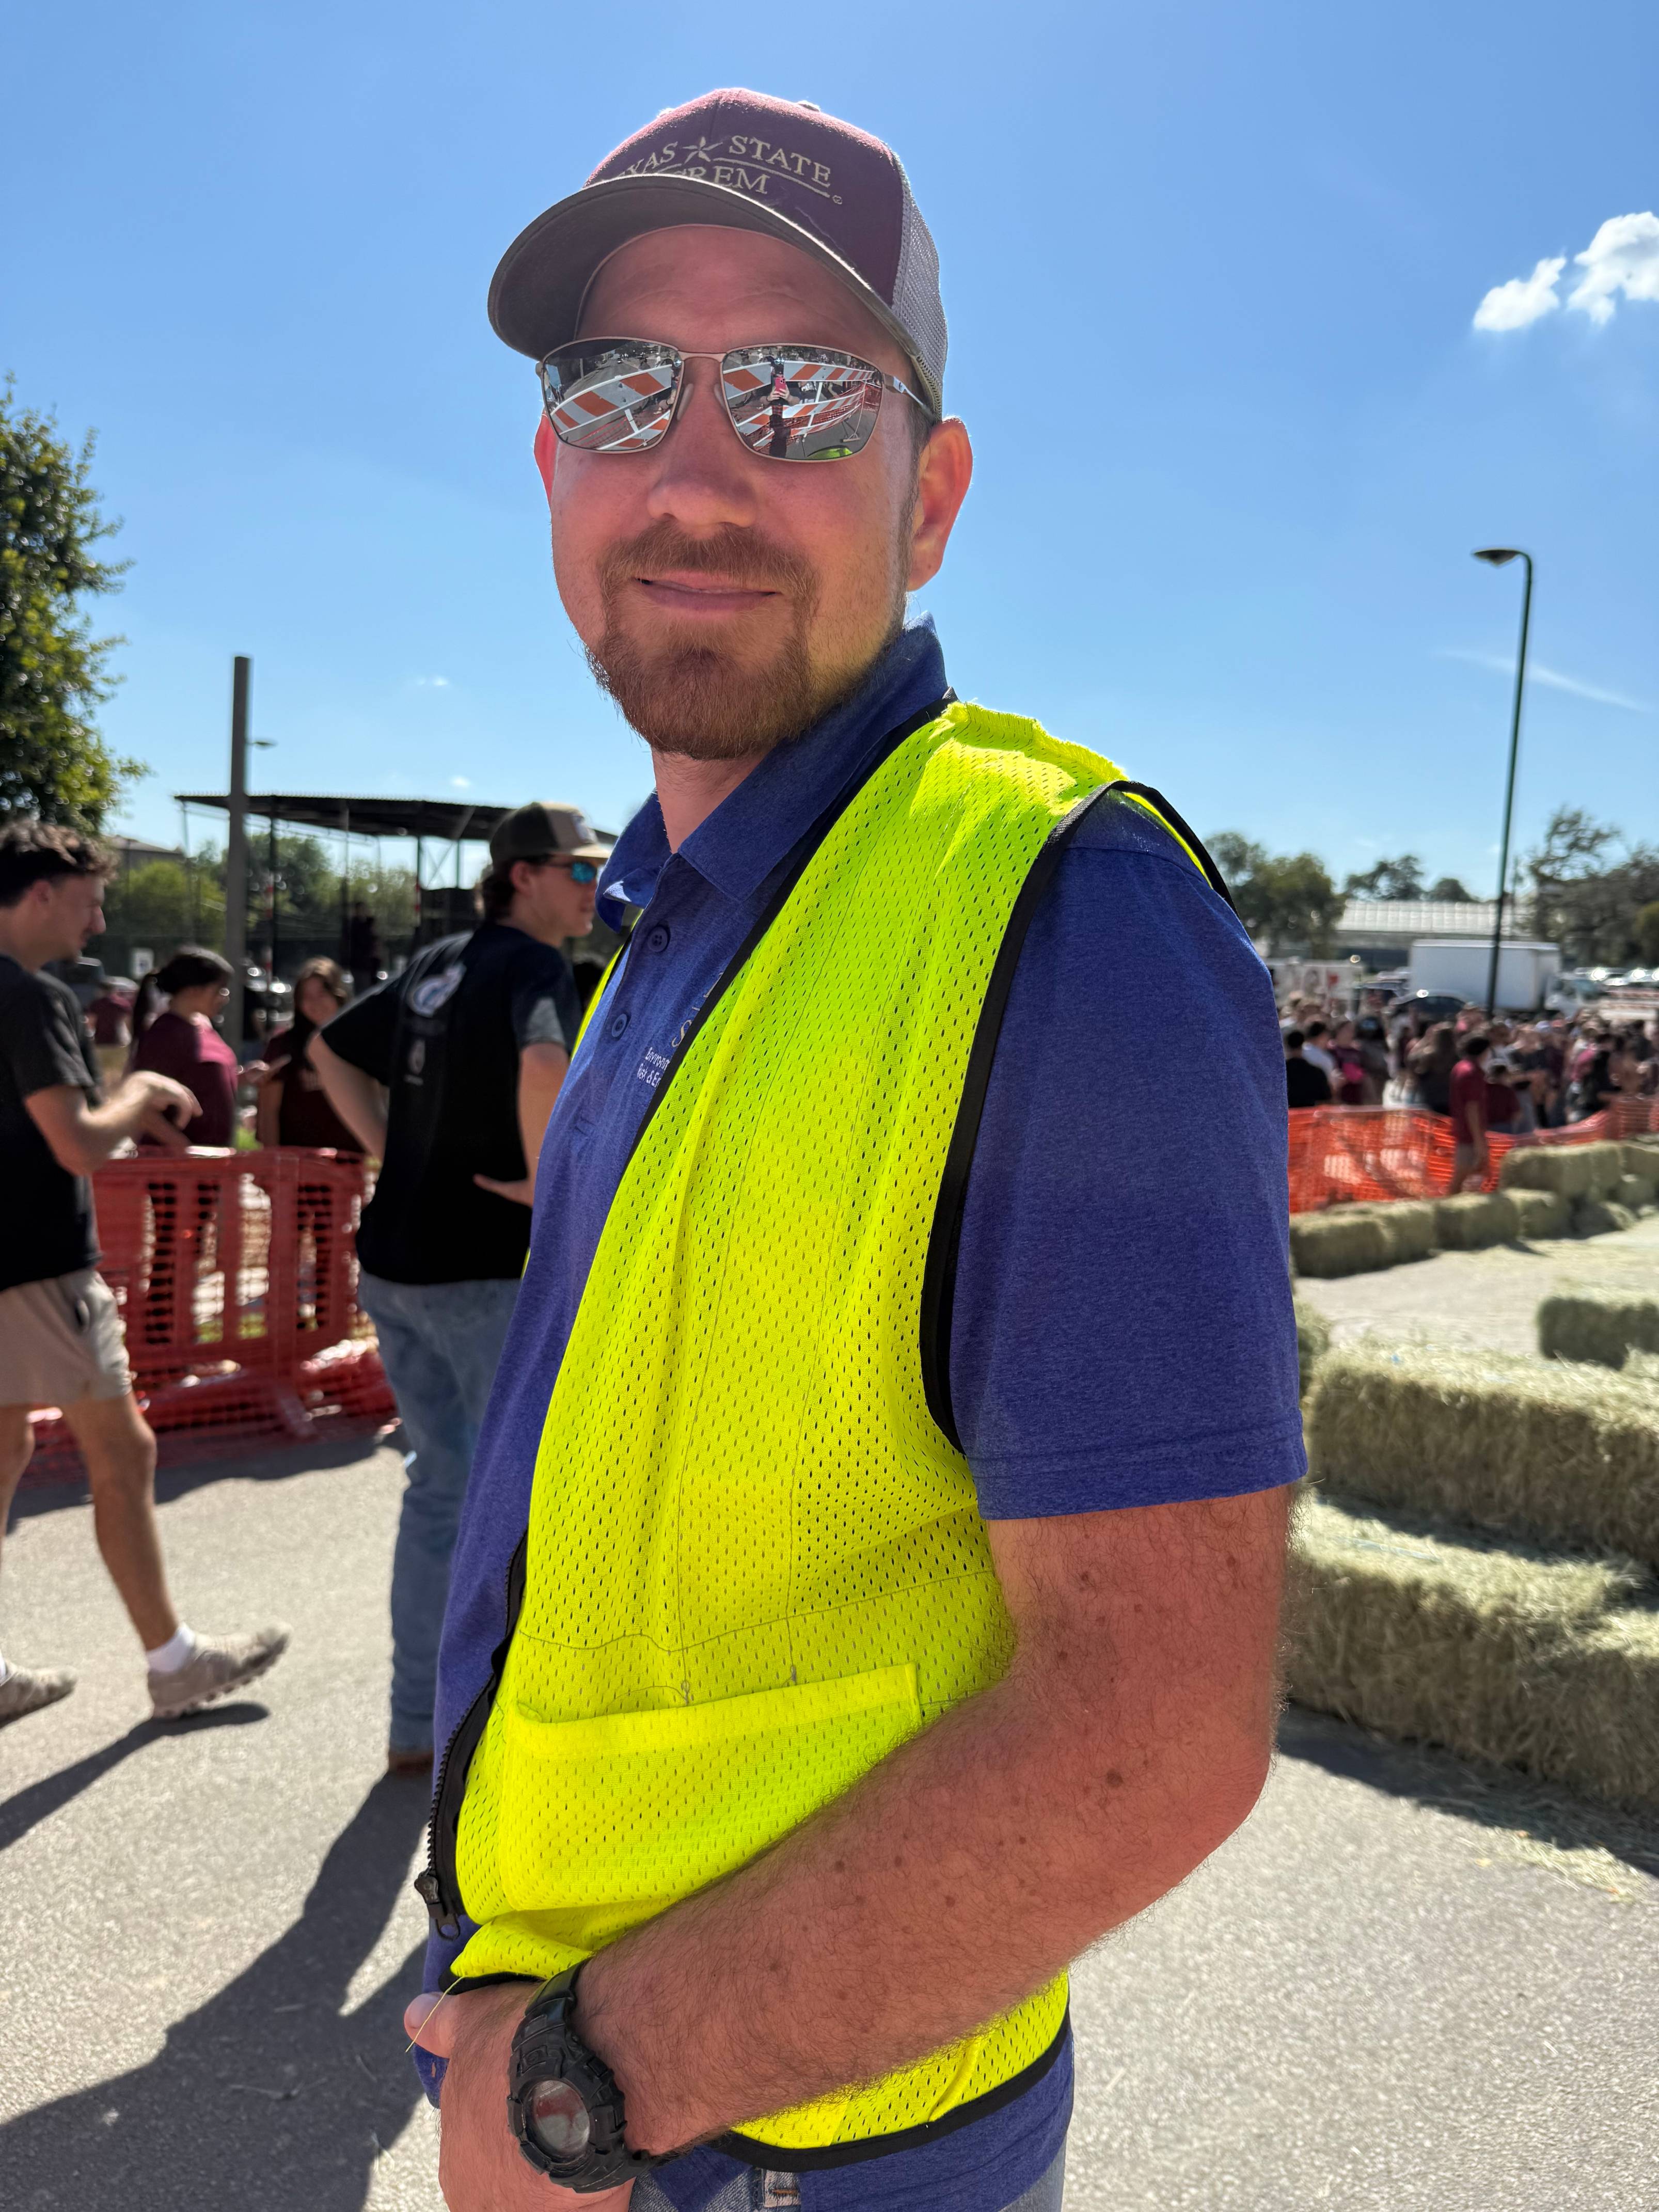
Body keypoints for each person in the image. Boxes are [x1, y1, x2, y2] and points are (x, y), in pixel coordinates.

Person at [404, 91, 1297, 2212]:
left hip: (781, 2144)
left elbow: (1149, 1733)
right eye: (622, 389)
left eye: (803, 393)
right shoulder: (664, 936)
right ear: (550, 468)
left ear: (930, 498)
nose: (695, 471)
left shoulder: (1058, 908)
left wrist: (585, 2085)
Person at [308, 808, 593, 1776]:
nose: (593, 887)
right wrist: (546, 1177)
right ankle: (508, 1724)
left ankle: (418, 1721)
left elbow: (329, 1049)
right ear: (523, 876)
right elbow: (545, 1061)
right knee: (524, 1497)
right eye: (577, 869)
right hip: (479, 1263)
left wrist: (391, 1147)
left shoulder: (440, 957)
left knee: (438, 1487)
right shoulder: (531, 966)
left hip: (395, 1260)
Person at [0, 821, 290, 1728]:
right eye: (88, 903)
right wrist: (140, 1094)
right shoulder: (30, 997)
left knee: (5, 1451)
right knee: (124, 1451)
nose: (98, 923)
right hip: (38, 1262)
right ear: (39, 893)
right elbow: (79, 1143)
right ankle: (173, 1661)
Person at [127, 948, 241, 1146]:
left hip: (213, 1164)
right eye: (219, 990)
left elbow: (200, 1080)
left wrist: (244, 1077)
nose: (225, 997)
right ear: (193, 990)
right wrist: (183, 1149)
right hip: (179, 1171)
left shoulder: (204, 1025)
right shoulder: (164, 1035)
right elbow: (140, 1104)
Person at [257, 958, 360, 1152]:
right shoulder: (283, 1045)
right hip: (297, 1166)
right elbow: (268, 1110)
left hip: (348, 1164)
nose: (315, 1003)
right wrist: (272, 1161)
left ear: (338, 995)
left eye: (322, 994)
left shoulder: (358, 1044)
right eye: (307, 997)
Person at [1449, 1030, 1491, 1190]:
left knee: (1468, 1178)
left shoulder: (1460, 1067)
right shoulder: (1472, 1073)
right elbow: (1472, 1109)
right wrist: (1480, 1142)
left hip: (1464, 1131)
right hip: (1470, 1135)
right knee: (1463, 1176)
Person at [1285, 1025, 1333, 1109]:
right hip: (1310, 1118)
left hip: (1286, 1118)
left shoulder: (1281, 1073)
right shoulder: (1317, 1072)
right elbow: (1326, 1097)